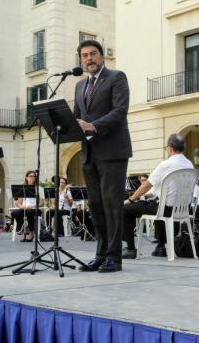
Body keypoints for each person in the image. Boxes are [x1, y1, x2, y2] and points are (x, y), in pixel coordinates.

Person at [74, 40, 132, 273]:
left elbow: (120, 111)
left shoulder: (117, 77)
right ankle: (100, 253)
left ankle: (114, 257)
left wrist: (92, 126)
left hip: (112, 151)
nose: (89, 59)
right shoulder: (79, 86)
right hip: (89, 153)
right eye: (85, 55)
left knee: (112, 205)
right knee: (95, 206)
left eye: (93, 54)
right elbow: (77, 116)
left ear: (102, 57)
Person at [121, 134, 193, 259]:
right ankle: (160, 247)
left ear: (170, 148)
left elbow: (146, 186)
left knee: (125, 210)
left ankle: (131, 249)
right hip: (182, 209)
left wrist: (131, 199)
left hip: (166, 209)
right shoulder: (190, 165)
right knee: (159, 205)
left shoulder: (166, 164)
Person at [11, 171, 44, 242]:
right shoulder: (22, 188)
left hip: (35, 209)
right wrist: (23, 207)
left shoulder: (39, 188)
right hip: (24, 208)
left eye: (34, 176)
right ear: (26, 178)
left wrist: (34, 206)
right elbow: (18, 203)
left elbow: (41, 203)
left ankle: (31, 232)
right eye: (31, 176)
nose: (33, 178)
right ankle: (22, 231)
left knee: (29, 213)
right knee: (14, 213)